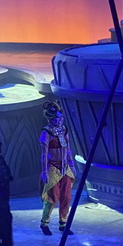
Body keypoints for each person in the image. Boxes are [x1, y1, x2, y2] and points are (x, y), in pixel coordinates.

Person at [39, 101, 77, 236]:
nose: (60, 120)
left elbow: (68, 149)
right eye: (57, 118)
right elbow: (43, 154)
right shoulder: (46, 132)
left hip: (65, 168)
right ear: (51, 119)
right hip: (52, 167)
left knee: (66, 196)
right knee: (52, 197)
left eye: (61, 118)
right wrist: (44, 171)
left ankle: (63, 223)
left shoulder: (64, 130)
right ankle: (44, 223)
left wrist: (72, 165)